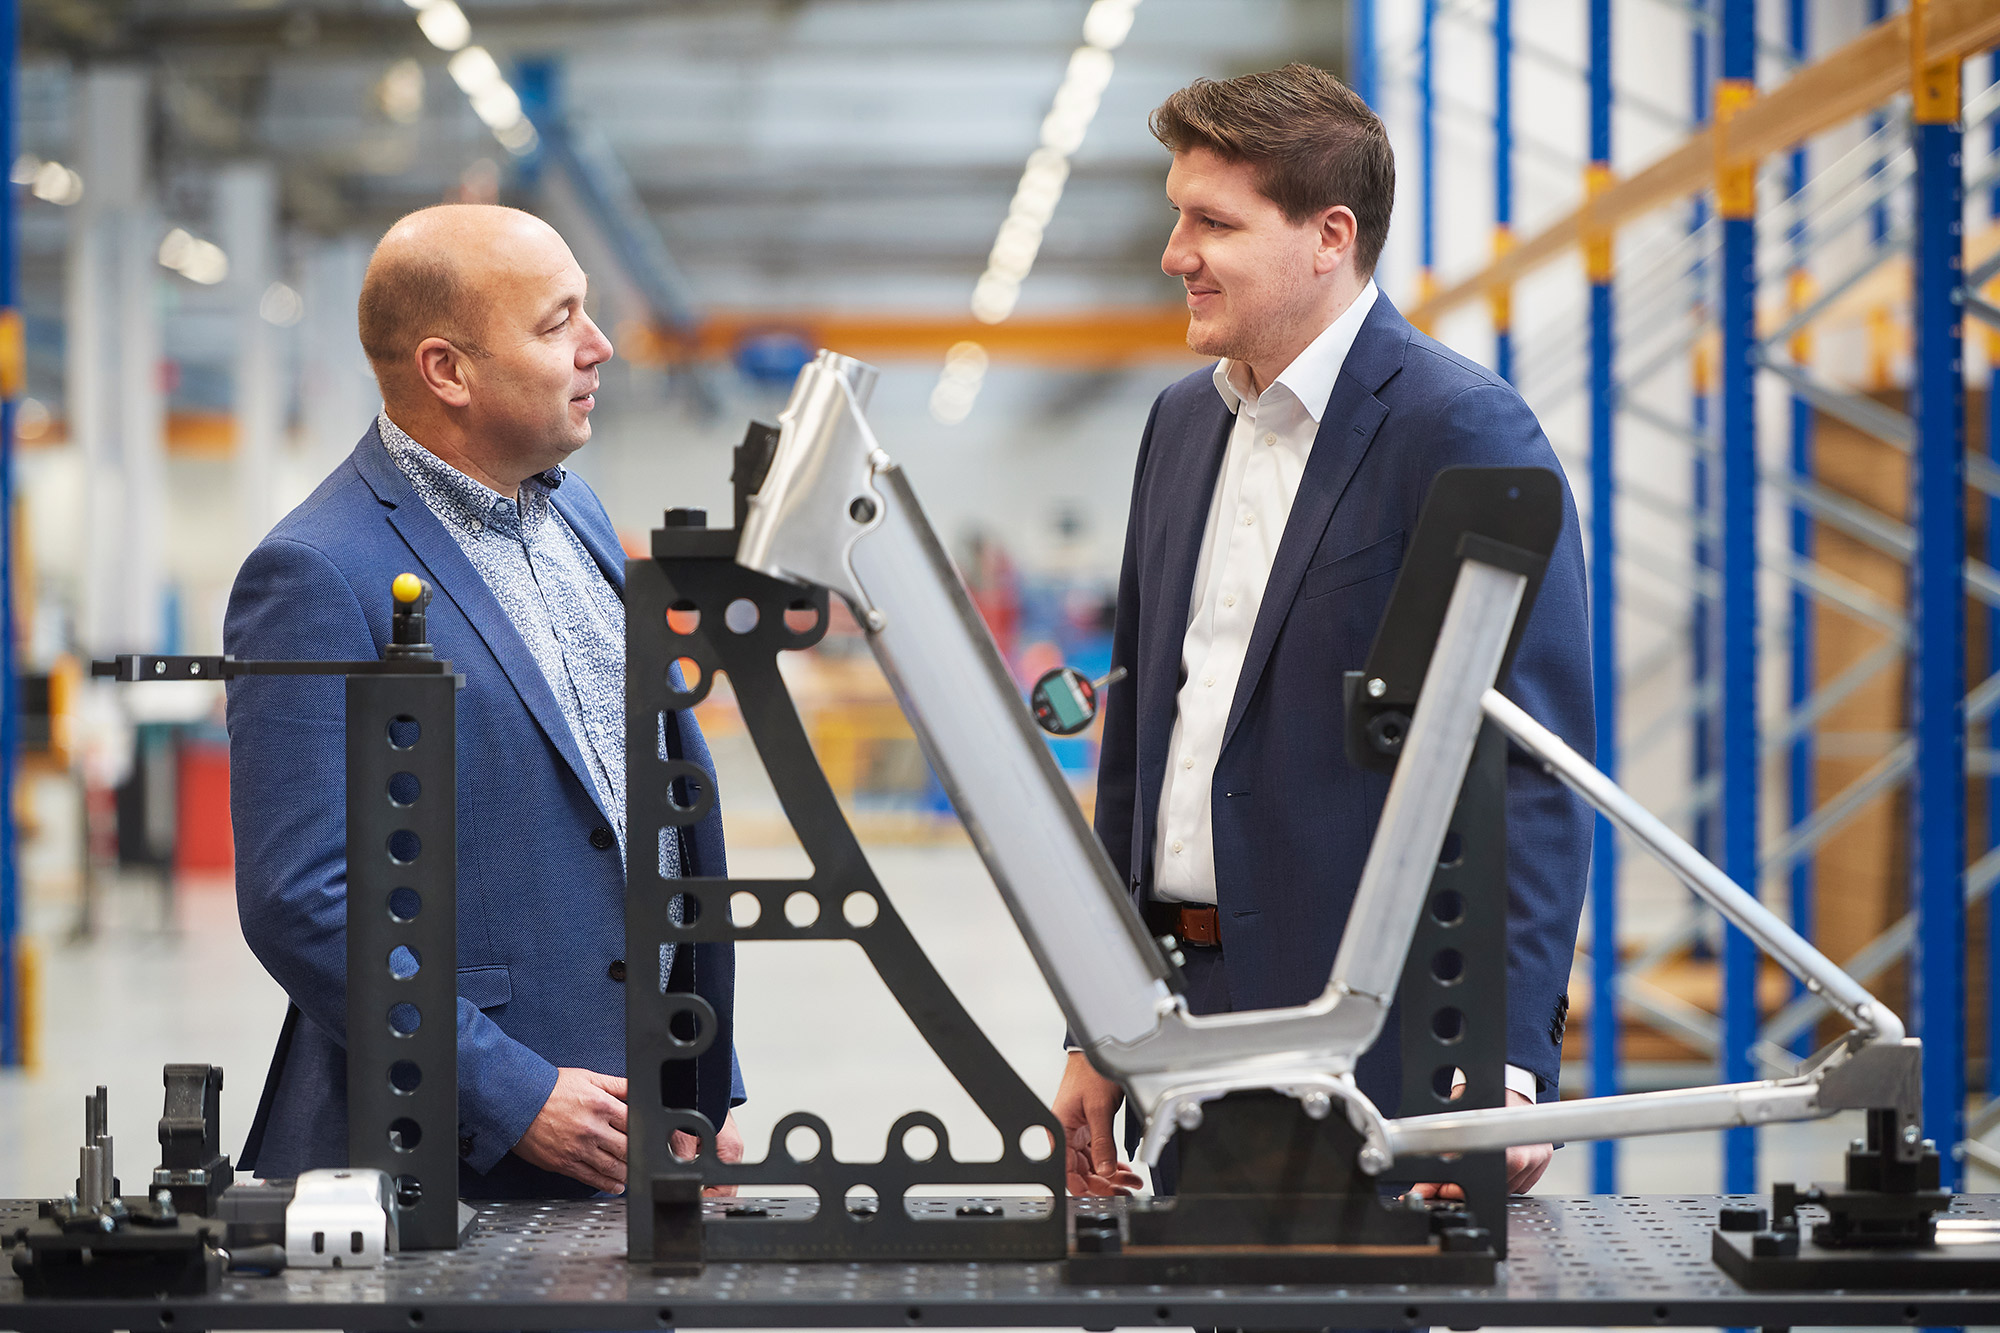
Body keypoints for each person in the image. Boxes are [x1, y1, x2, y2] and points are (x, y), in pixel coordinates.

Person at [1054, 65, 1593, 1199]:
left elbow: (1532, 764)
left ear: (1327, 236)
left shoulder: (1460, 428)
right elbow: (1140, 745)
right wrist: (1089, 1023)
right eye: (1175, 216)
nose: (1174, 251)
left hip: (1382, 1045)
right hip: (1182, 1022)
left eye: (1212, 222)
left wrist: (1503, 1063)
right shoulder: (1179, 424)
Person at [226, 204, 744, 1197]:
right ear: (446, 371)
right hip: (450, 1153)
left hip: (630, 1123)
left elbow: (642, 814)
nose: (598, 349)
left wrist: (696, 1087)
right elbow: (302, 900)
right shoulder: (315, 572)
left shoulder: (575, 512)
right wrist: (511, 1093)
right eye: (557, 325)